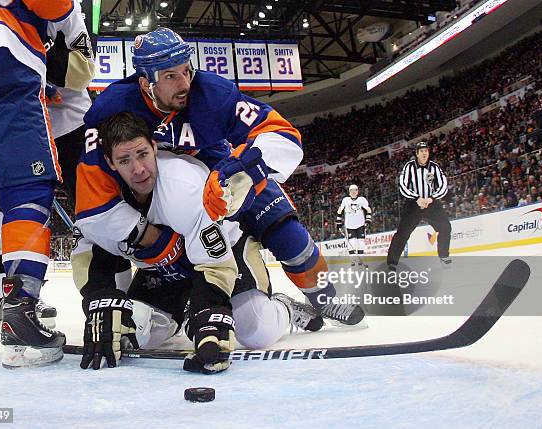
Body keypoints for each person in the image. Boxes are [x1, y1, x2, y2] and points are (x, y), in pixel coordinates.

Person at [82, 27, 364, 327]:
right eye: (170, 76)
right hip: (166, 189)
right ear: (145, 83)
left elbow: (284, 135)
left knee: (286, 231)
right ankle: (201, 305)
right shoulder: (113, 107)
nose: (184, 83)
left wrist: (244, 171)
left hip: (224, 169)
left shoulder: (213, 93)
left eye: (187, 70)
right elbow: (94, 175)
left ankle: (325, 297)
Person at [72, 111, 324, 373]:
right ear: (110, 164)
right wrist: (101, 299)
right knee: (131, 333)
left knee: (255, 330)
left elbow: (214, 264)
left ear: (154, 147)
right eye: (124, 160)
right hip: (166, 268)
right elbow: (90, 249)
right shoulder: (99, 196)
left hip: (225, 253)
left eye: (142, 154)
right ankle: (177, 317)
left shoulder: (182, 187)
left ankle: (285, 307)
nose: (138, 170)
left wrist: (210, 314)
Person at [0, 0, 95, 367]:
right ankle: (14, 304)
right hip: (14, 77)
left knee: (94, 214)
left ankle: (102, 297)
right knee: (14, 195)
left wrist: (56, 66)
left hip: (65, 121)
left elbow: (85, 69)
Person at [386, 142, 451, 270]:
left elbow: (443, 185)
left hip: (431, 203)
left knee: (445, 227)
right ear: (416, 154)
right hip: (414, 204)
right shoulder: (409, 167)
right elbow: (403, 185)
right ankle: (392, 262)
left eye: (426, 150)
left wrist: (431, 198)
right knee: (402, 233)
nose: (424, 153)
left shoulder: (434, 167)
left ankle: (443, 255)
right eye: (421, 151)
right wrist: (417, 198)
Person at [336, 184, 372, 268]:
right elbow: (340, 210)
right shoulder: (345, 200)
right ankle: (352, 261)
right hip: (349, 226)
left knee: (361, 243)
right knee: (352, 243)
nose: (353, 192)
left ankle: (361, 261)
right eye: (351, 190)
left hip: (360, 225)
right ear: (349, 192)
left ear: (357, 191)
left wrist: (368, 220)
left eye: (355, 190)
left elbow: (368, 209)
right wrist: (338, 223)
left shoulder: (362, 200)